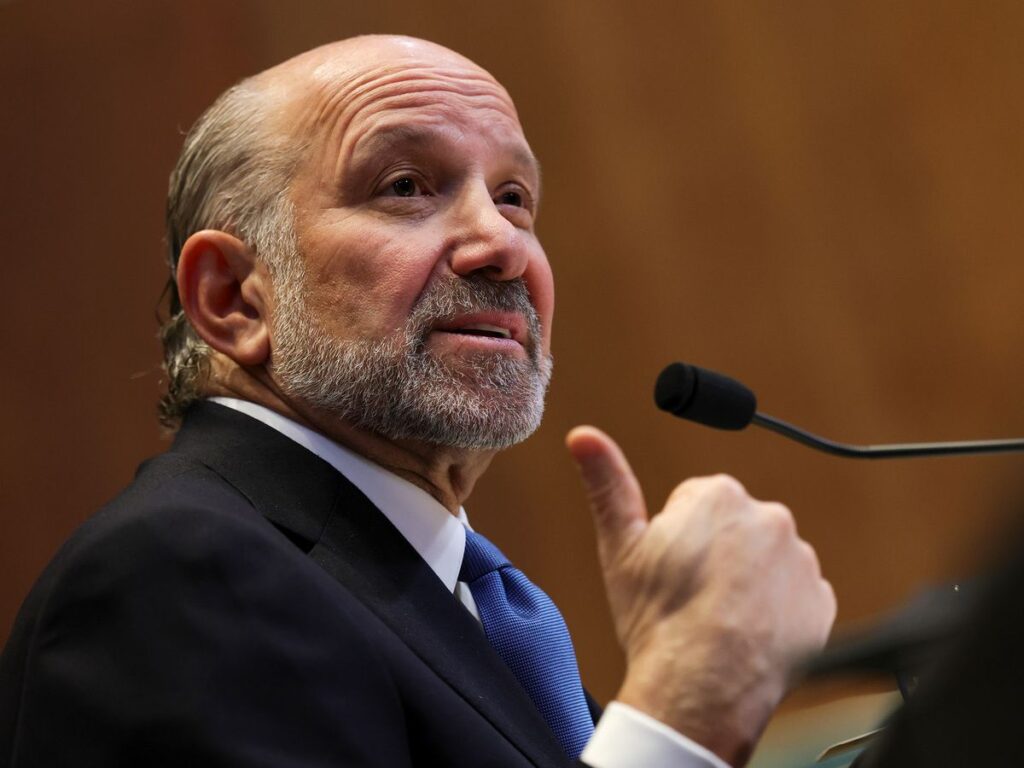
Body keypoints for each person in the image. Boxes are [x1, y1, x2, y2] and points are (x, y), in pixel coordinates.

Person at [0, 36, 835, 767]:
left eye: (514, 198)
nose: (502, 244)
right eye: (405, 186)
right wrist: (679, 721)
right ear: (234, 299)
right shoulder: (175, 576)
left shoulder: (455, 601)